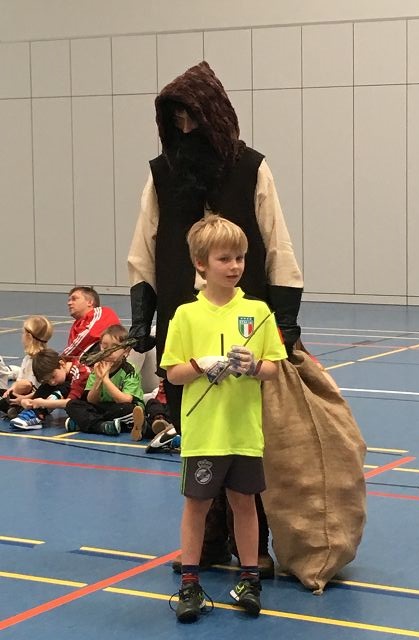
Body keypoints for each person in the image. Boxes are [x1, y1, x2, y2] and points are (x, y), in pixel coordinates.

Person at [127, 60, 303, 575]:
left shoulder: (252, 168)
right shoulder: (161, 173)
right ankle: (207, 543)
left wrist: (286, 323)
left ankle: (255, 547)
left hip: (249, 325)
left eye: (192, 117)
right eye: (175, 119)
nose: (184, 128)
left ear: (215, 115)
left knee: (249, 442)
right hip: (186, 325)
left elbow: (278, 245)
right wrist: (142, 318)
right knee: (197, 438)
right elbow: (143, 249)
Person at [162, 215, 286, 622]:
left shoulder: (258, 311)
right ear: (201, 263)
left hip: (244, 431)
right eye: (224, 259)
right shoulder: (185, 316)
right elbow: (173, 373)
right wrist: (201, 364)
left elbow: (274, 368)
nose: (234, 266)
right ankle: (190, 585)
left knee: (244, 503)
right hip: (204, 434)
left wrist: (253, 366)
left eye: (240, 258)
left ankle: (249, 580)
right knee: (196, 506)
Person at [65, 324, 144, 436]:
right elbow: (91, 400)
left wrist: (105, 379)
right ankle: (102, 426)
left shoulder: (130, 370)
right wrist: (98, 379)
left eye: (114, 347)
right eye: (105, 347)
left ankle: (86, 423)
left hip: (121, 407)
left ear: (126, 351)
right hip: (103, 407)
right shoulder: (97, 368)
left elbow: (125, 400)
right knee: (72, 405)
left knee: (129, 409)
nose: (109, 352)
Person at [10, 347, 90, 429]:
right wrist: (29, 399)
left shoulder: (79, 372)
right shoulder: (61, 365)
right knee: (47, 386)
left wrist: (43, 403)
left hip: (91, 406)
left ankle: (37, 414)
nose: (52, 382)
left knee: (64, 386)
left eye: (53, 376)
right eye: (48, 380)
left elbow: (70, 403)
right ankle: (30, 411)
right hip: (78, 403)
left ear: (62, 364)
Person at [0, 315, 53, 420]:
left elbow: (44, 390)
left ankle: (19, 409)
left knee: (24, 385)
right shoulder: (28, 358)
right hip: (24, 396)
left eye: (23, 333)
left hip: (36, 399)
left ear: (28, 336)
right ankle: (13, 407)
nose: (22, 336)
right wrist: (12, 389)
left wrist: (24, 398)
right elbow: (19, 381)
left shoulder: (42, 360)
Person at [62, 286, 120, 359]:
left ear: (89, 302)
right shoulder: (76, 325)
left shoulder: (103, 312)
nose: (69, 303)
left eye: (74, 299)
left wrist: (62, 357)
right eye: (69, 300)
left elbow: (90, 335)